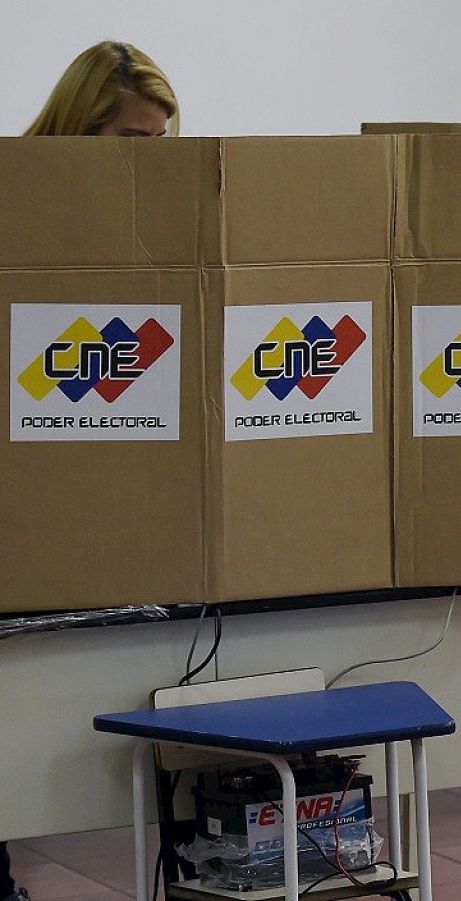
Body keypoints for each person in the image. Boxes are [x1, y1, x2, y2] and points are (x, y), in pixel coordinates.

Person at [0, 40, 178, 901]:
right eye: (130, 144)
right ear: (80, 128)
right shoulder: (16, 203)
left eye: (161, 144)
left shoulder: (148, 223)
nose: (149, 165)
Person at [24, 40, 177, 137]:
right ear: (84, 129)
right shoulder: (12, 180)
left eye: (159, 140)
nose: (153, 157)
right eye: (134, 139)